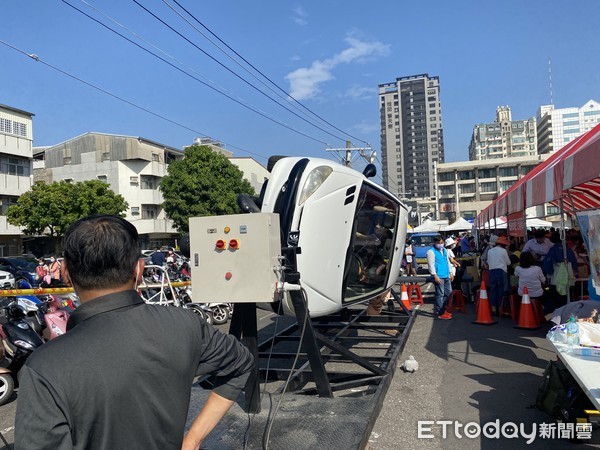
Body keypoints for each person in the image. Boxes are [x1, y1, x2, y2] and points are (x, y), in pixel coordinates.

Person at [15, 215, 254, 449]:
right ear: (139, 269)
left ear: (65, 272)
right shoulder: (185, 325)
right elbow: (241, 362)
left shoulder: (44, 366)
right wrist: (193, 440)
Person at [543, 231, 578, 310]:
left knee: (557, 298)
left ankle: (557, 314)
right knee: (567, 295)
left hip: (556, 277)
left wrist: (548, 273)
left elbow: (547, 264)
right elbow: (574, 263)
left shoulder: (553, 250)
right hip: (568, 277)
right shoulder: (568, 250)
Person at [427, 235, 453, 320]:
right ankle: (440, 312)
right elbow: (431, 265)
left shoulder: (444, 250)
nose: (440, 244)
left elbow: (447, 262)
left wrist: (450, 272)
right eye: (439, 243)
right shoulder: (431, 251)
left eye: (442, 242)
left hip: (446, 275)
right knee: (440, 294)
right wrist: (435, 275)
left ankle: (444, 309)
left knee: (448, 293)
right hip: (438, 275)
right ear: (435, 242)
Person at [487, 235, 511, 316]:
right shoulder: (503, 251)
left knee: (493, 289)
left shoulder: (490, 251)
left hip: (491, 271)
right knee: (501, 289)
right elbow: (508, 263)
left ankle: (493, 308)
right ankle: (500, 307)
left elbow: (488, 262)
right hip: (501, 271)